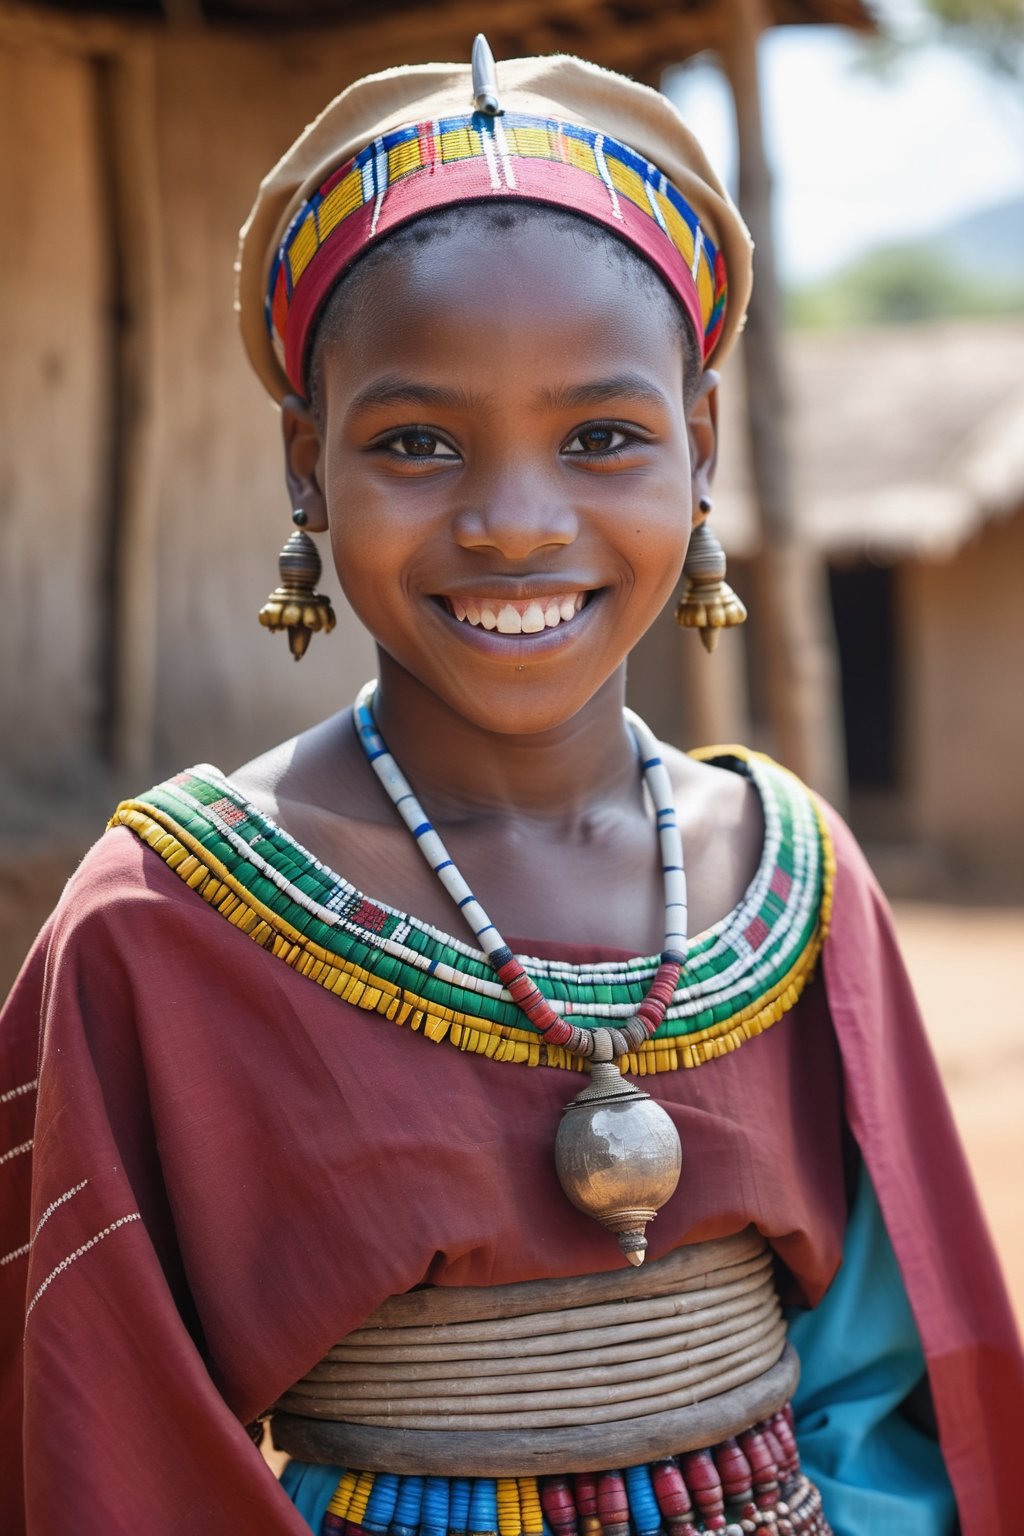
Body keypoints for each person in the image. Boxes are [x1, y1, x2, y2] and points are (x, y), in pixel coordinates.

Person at [1, 38, 1021, 1536]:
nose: (517, 522)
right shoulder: (159, 928)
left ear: (704, 447)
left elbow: (888, 1393)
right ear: (306, 469)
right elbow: (108, 1445)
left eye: (604, 437)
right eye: (416, 444)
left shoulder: (789, 879)